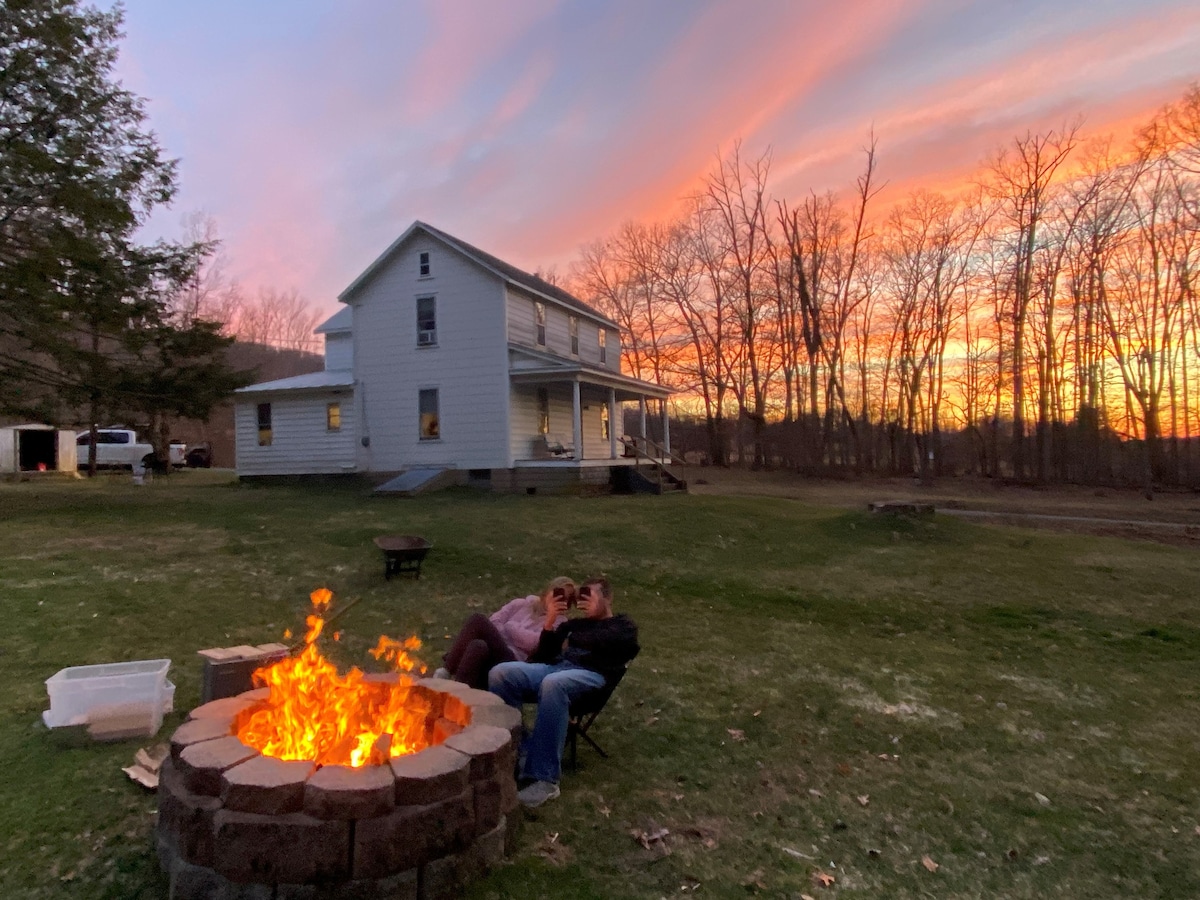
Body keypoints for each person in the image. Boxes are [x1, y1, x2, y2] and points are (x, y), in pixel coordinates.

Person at [488, 576, 639, 808]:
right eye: (582, 595)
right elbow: (544, 655)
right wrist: (549, 621)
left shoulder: (622, 626)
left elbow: (611, 640)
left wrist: (571, 639)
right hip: (557, 668)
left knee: (553, 683)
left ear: (607, 598)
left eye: (590, 595)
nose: (583, 600)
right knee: (501, 673)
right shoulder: (573, 625)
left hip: (592, 676)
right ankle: (519, 751)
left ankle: (546, 780)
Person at [433, 577, 575, 689]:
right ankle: (457, 695)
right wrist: (501, 636)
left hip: (514, 661)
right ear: (548, 592)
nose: (561, 600)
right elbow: (494, 621)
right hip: (495, 650)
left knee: (478, 619)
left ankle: (446, 669)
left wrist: (509, 627)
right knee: (478, 645)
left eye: (567, 599)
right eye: (559, 594)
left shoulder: (559, 622)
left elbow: (533, 643)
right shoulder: (521, 604)